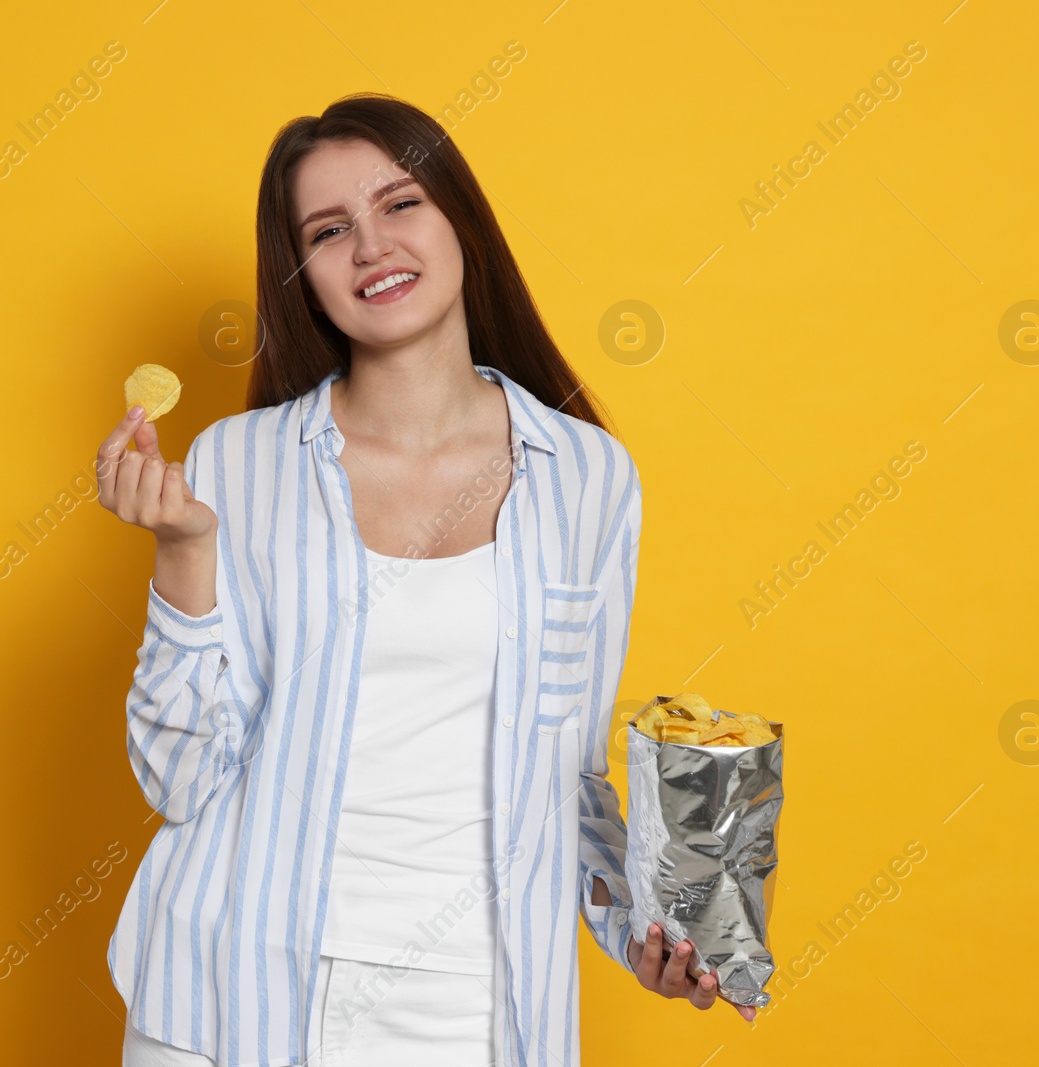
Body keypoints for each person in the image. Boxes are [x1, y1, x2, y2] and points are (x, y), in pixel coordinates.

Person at [96, 93, 753, 1067]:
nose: (370, 245)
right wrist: (185, 547)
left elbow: (566, 775)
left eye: (398, 204)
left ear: (459, 220)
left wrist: (644, 934)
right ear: (304, 276)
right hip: (229, 993)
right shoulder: (237, 463)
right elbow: (181, 777)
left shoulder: (587, 476)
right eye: (329, 230)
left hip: (475, 1003)